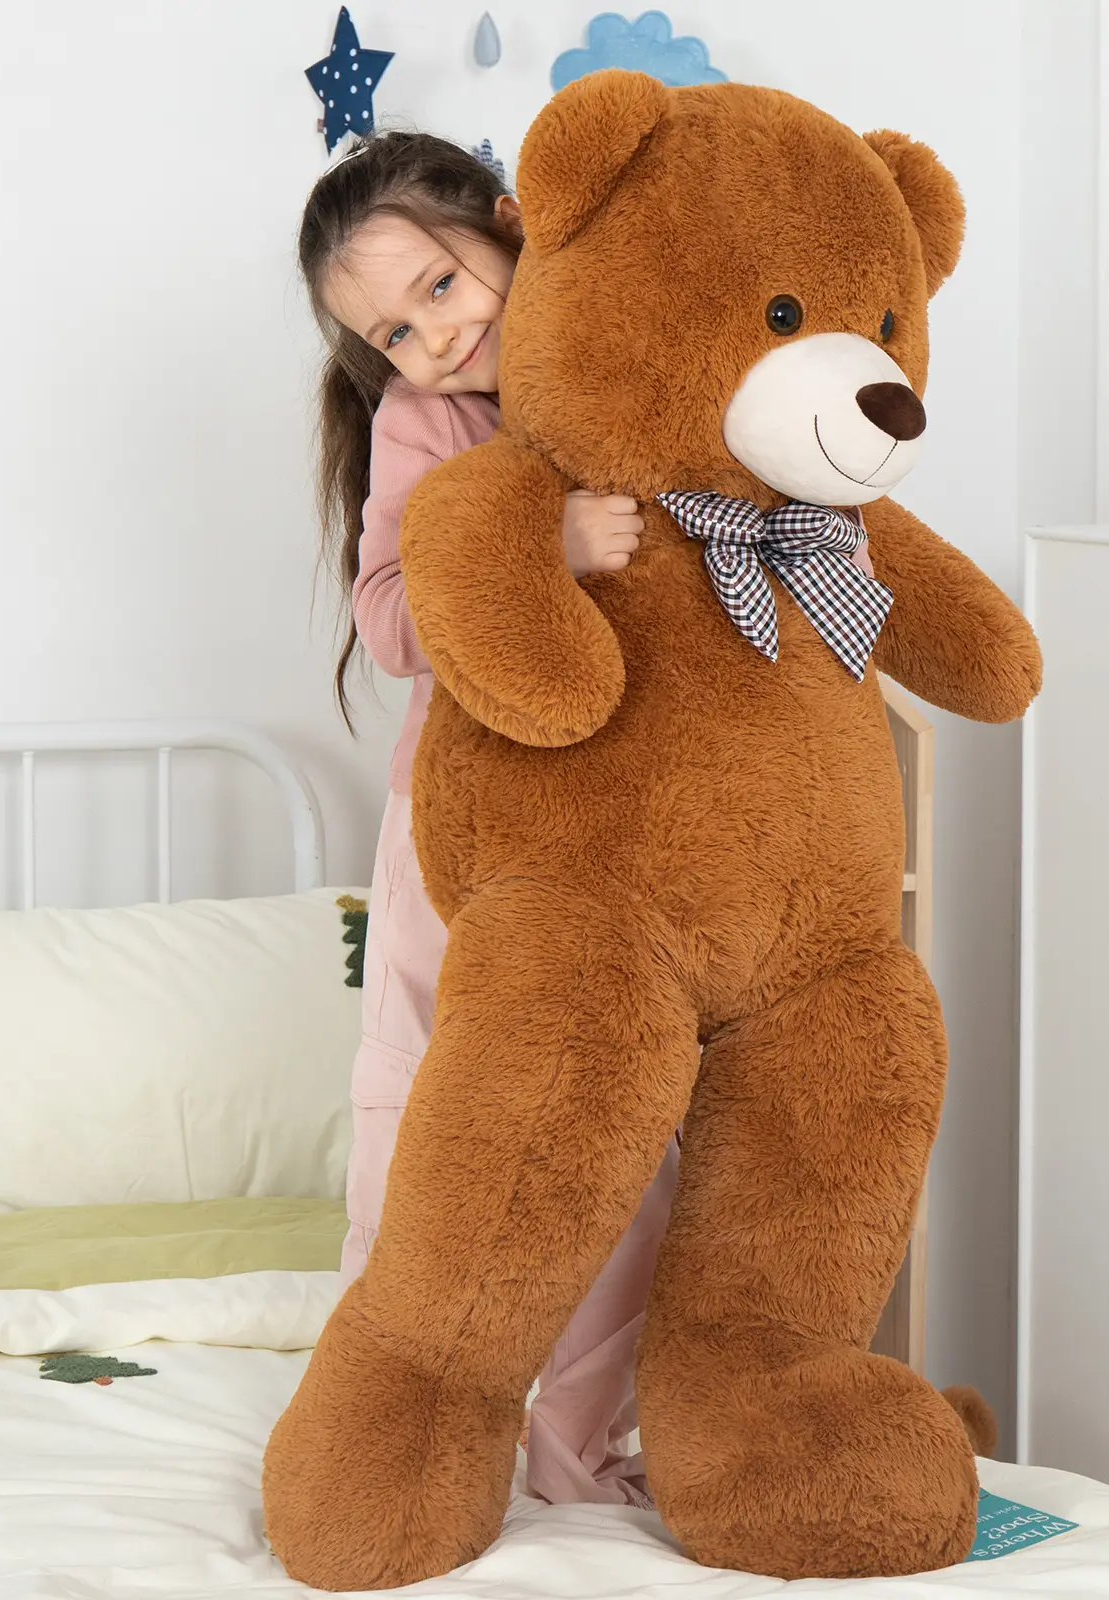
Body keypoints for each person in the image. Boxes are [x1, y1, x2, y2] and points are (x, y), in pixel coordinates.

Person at [298, 130, 675, 1508]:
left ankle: (578, 1445)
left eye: (444, 287)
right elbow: (393, 620)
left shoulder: (634, 363)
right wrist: (542, 545)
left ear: (510, 229)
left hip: (617, 827)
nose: (436, 340)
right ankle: (372, 1419)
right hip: (453, 827)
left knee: (629, 1133)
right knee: (413, 1105)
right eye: (394, 333)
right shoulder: (423, 423)